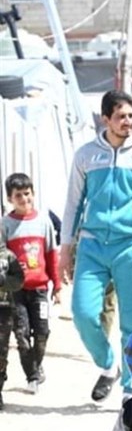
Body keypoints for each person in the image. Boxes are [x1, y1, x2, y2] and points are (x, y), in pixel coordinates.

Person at [60, 89, 132, 402]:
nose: (128, 122)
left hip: (131, 246)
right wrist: (65, 249)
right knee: (82, 313)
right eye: (121, 116)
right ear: (105, 119)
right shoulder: (85, 155)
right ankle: (108, 365)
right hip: (92, 246)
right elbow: (72, 204)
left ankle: (130, 389)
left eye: (131, 115)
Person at [2, 173, 61, 394]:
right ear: (10, 199)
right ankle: (32, 376)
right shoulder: (5, 225)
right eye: (18, 195)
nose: (24, 199)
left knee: (42, 332)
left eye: (27, 194)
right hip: (15, 291)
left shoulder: (44, 222)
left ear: (33, 194)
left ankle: (37, 364)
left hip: (40, 290)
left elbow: (52, 256)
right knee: (22, 334)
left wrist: (58, 286)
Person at [0, 240, 24, 411]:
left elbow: (19, 279)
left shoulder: (8, 256)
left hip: (4, 309)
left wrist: (3, 281)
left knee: (1, 352)